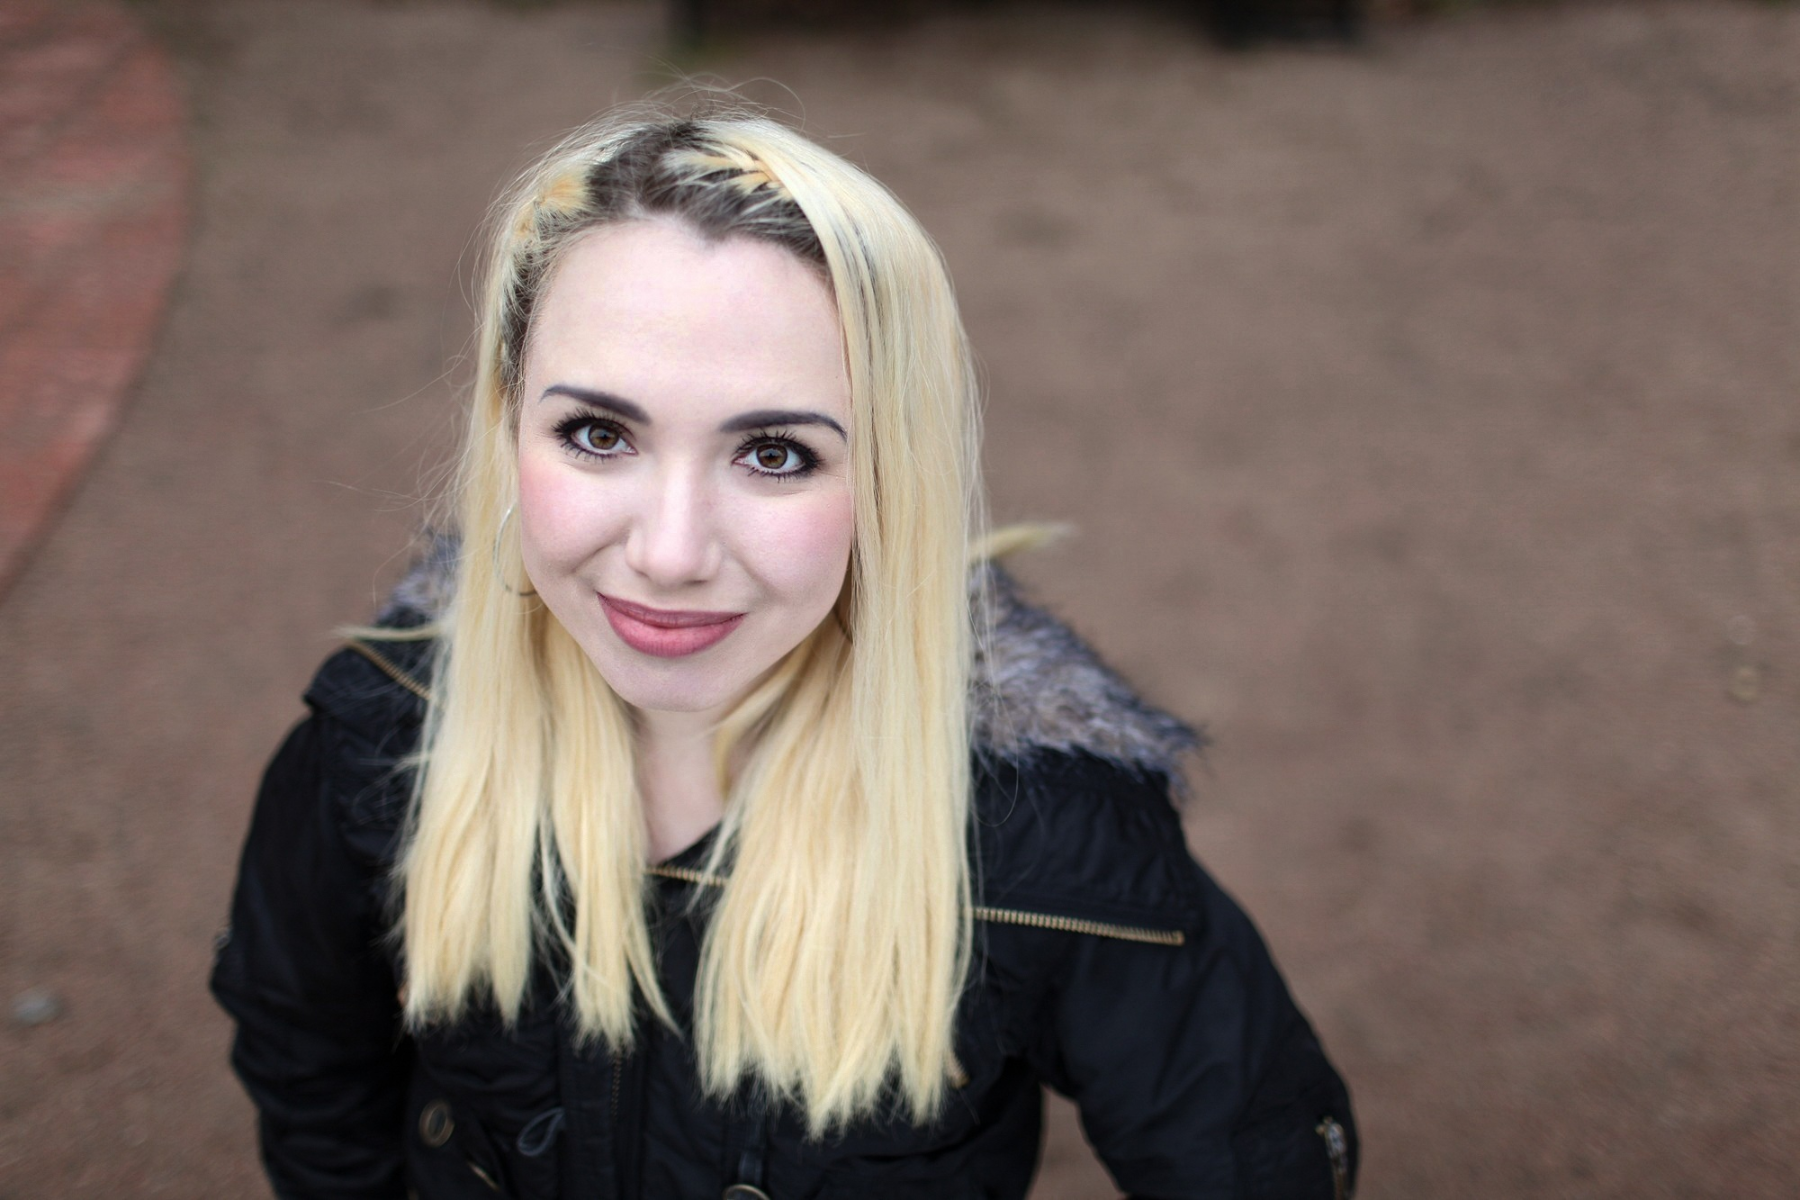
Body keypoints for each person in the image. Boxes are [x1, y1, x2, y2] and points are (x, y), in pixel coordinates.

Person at [211, 104, 1358, 1200]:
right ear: (509, 426)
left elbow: (1258, 1163)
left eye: (773, 454)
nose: (669, 555)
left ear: (892, 476)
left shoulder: (1039, 835)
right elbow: (305, 1059)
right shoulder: (387, 737)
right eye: (598, 434)